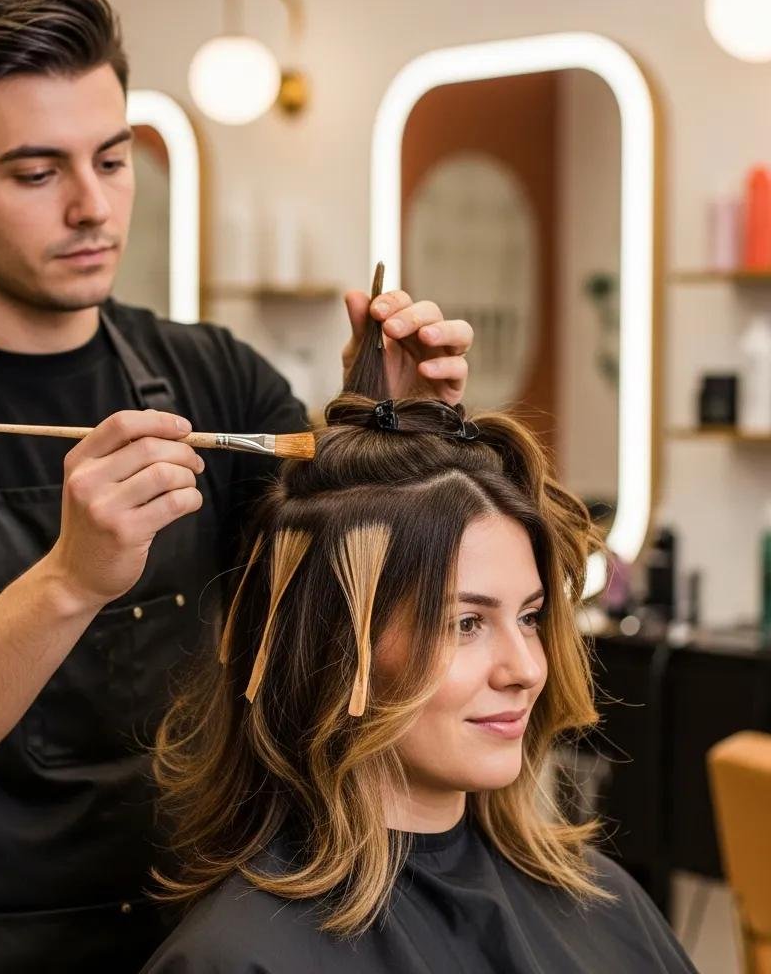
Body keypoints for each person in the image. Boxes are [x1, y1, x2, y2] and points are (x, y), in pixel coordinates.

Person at [0, 0, 473, 974]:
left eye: (112, 158)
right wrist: (70, 580)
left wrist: (398, 424)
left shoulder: (213, 372)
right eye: (35, 172)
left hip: (197, 932)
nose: (93, 205)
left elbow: (345, 601)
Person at [142, 314, 697, 973]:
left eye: (529, 617)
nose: (525, 669)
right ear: (337, 647)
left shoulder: (603, 901)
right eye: (465, 624)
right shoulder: (243, 957)